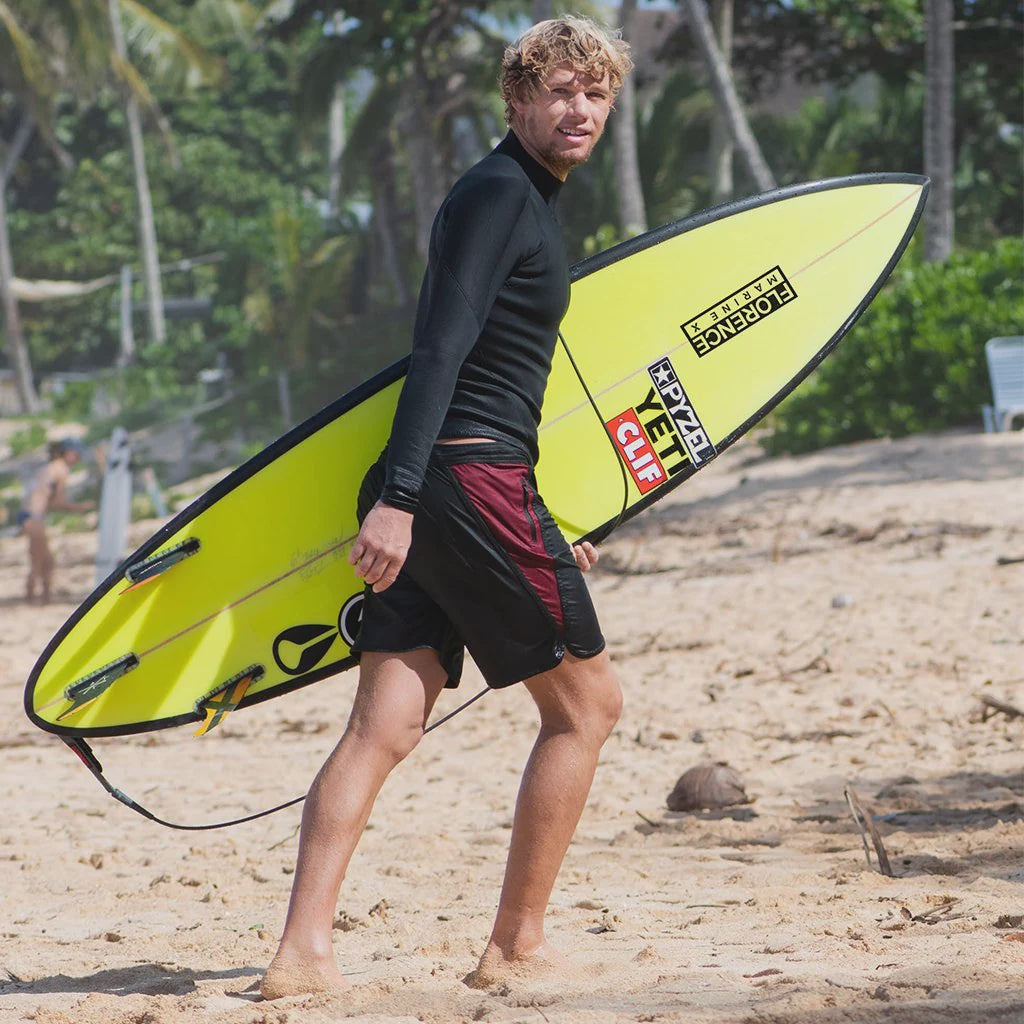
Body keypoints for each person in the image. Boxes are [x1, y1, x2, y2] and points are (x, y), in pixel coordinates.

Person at [262, 16, 634, 1000]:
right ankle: (515, 942)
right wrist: (402, 498)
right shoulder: (497, 195)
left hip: (465, 481)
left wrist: (537, 517)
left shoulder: (521, 201)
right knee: (589, 706)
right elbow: (439, 351)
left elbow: (495, 380)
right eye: (558, 89)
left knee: (384, 723)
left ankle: (302, 955)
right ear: (515, 100)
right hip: (457, 483)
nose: (579, 108)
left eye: (595, 94)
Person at [20, 438, 93, 603]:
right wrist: (80, 508)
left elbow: (47, 499)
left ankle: (43, 599)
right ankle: (31, 600)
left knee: (44, 560)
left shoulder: (50, 468)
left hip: (29, 515)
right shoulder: (61, 470)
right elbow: (59, 502)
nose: (78, 458)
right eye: (77, 454)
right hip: (34, 517)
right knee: (40, 562)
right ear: (68, 453)